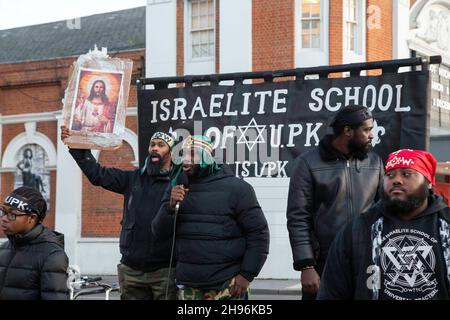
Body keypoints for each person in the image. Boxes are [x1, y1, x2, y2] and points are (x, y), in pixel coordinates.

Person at [61, 127, 179, 300]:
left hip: (164, 272)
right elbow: (97, 174)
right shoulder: (132, 179)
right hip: (130, 271)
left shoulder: (178, 183)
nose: (155, 148)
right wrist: (76, 145)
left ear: (170, 151)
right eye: (152, 144)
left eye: (161, 145)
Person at [318, 149, 450, 300]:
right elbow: (332, 290)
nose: (396, 180)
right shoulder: (359, 229)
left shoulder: (447, 223)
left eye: (406, 174)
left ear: (428, 182)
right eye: (389, 175)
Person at [152, 135, 270, 300]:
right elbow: (158, 232)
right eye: (184, 154)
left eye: (192, 154)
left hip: (227, 287)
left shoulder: (238, 189)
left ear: (207, 157)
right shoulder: (177, 187)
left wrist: (247, 274)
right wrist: (169, 207)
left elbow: (259, 233)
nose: (186, 159)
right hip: (189, 289)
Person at [286, 105, 384, 299]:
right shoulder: (308, 163)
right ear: (348, 131)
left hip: (367, 261)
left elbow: (384, 212)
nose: (372, 135)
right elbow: (298, 217)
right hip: (325, 263)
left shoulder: (375, 162)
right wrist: (306, 265)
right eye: (366, 130)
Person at [0, 186, 69, 300]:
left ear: (31, 218)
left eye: (12, 214)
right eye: (3, 211)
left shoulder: (52, 255)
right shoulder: (4, 248)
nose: (4, 218)